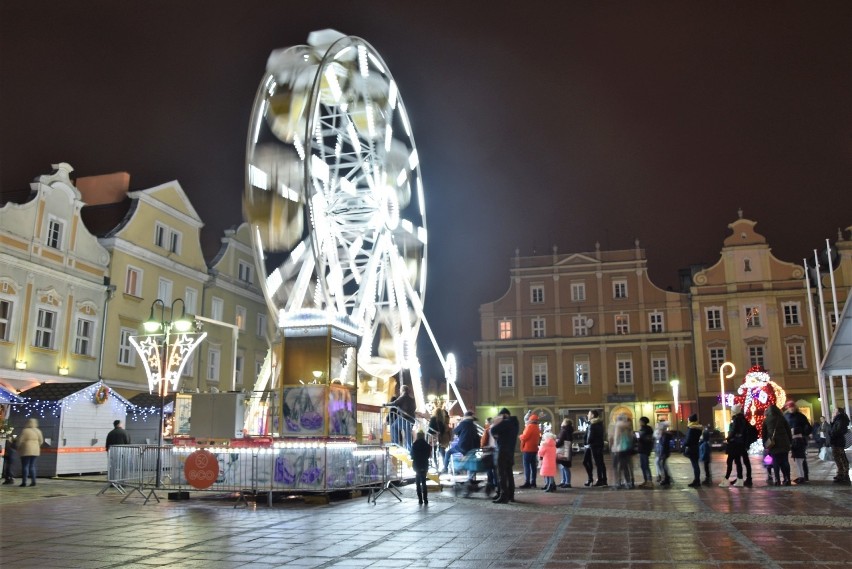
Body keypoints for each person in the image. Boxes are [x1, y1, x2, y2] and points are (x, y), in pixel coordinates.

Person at [490, 407, 519, 503]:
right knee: (509, 474)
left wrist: (497, 422)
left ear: (504, 415)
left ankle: (503, 496)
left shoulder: (506, 423)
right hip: (510, 452)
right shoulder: (514, 423)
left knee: (501, 474)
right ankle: (511, 495)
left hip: (502, 451)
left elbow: (493, 430)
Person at [442, 410, 479, 480]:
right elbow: (477, 437)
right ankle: (472, 477)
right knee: (471, 461)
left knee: (448, 452)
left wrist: (460, 434)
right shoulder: (474, 426)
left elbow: (455, 431)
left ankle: (445, 468)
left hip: (462, 446)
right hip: (472, 448)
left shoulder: (463, 423)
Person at [763, 403, 793, 486]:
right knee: (785, 461)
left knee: (776, 461)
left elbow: (764, 434)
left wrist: (765, 445)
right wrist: (790, 442)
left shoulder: (766, 420)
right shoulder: (782, 418)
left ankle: (777, 479)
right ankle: (787, 478)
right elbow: (788, 431)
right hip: (784, 443)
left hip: (773, 444)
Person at [782, 400, 811, 484]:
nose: (791, 408)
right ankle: (799, 475)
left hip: (799, 439)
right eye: (789, 407)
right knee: (794, 459)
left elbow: (807, 427)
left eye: (792, 407)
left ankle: (804, 476)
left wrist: (799, 431)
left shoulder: (800, 416)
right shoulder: (785, 416)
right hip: (789, 439)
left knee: (800, 458)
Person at [386, 385, 416, 450]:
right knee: (408, 432)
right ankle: (410, 449)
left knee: (393, 427)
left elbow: (394, 403)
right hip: (412, 419)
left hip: (405, 418)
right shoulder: (412, 399)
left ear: (402, 390)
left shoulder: (403, 397)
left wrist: (385, 404)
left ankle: (395, 443)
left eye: (400, 390)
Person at [582, 409, 607, 487]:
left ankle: (599, 480)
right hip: (596, 445)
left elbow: (590, 436)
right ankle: (601, 480)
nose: (587, 415)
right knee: (598, 462)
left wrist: (587, 443)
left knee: (596, 462)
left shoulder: (593, 424)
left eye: (589, 414)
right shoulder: (598, 423)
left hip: (592, 446)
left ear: (592, 415)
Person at [17, 418, 44, 487]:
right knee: (32, 466)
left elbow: (20, 440)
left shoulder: (25, 431)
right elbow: (41, 441)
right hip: (35, 450)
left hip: (26, 449)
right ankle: (33, 481)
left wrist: (18, 447)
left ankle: (24, 482)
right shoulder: (38, 431)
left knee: (25, 466)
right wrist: (37, 445)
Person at [610, 413, 634, 489]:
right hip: (626, 448)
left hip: (619, 449)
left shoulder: (618, 426)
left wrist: (614, 447)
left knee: (616, 466)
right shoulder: (628, 426)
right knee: (625, 466)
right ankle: (628, 483)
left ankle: (618, 483)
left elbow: (616, 438)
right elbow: (631, 437)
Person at [518, 413, 541, 488]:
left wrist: (520, 436)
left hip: (527, 449)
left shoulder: (529, 427)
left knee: (527, 466)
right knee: (533, 466)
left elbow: (525, 437)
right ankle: (533, 482)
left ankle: (527, 482)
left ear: (530, 420)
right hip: (534, 449)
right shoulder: (537, 427)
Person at [829, 407, 850, 485]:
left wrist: (831, 433)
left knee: (841, 457)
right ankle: (840, 473)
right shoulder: (838, 419)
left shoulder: (841, 420)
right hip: (836, 441)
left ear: (838, 412)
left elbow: (837, 431)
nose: (833, 412)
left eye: (834, 411)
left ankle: (844, 475)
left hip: (838, 441)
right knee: (838, 457)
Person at [410, 431, 432, 505]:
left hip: (417, 465)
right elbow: (429, 456)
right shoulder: (427, 445)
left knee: (418, 483)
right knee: (424, 482)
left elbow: (412, 456)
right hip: (424, 464)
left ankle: (420, 500)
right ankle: (425, 499)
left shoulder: (414, 445)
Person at [683, 413, 703, 488]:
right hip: (696, 447)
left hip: (691, 448)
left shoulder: (691, 429)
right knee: (696, 464)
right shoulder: (698, 428)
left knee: (695, 465)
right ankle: (697, 480)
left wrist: (684, 446)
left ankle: (696, 480)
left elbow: (688, 440)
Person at [428, 404, 450, 470]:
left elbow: (430, 429)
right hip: (440, 437)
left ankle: (436, 466)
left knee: (433, 451)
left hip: (433, 437)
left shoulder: (433, 419)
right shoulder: (442, 420)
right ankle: (445, 466)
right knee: (442, 451)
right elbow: (443, 429)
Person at [480, 416, 498, 495]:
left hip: (488, 451)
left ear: (489, 422)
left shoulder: (487, 430)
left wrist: (482, 448)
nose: (485, 424)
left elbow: (483, 442)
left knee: (489, 469)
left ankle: (490, 483)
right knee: (495, 469)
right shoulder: (497, 430)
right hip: (496, 451)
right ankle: (496, 483)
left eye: (486, 422)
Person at [555, 418, 574, 488]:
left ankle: (566, 482)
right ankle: (565, 481)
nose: (562, 422)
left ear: (565, 423)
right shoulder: (569, 430)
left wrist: (555, 444)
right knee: (564, 466)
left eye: (563, 421)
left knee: (564, 466)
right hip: (567, 450)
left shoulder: (564, 430)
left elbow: (560, 441)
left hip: (563, 450)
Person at [636, 417, 654, 488]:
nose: (639, 422)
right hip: (644, 449)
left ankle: (649, 481)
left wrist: (637, 434)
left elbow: (639, 438)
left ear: (643, 422)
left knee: (645, 465)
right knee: (643, 465)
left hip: (644, 449)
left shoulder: (644, 429)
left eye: (640, 421)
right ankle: (646, 480)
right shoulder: (648, 429)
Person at [655, 421, 673, 486]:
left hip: (664, 452)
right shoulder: (664, 435)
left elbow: (663, 445)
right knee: (662, 465)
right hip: (664, 452)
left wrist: (661, 454)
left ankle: (666, 479)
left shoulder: (664, 435)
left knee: (662, 465)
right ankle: (666, 478)